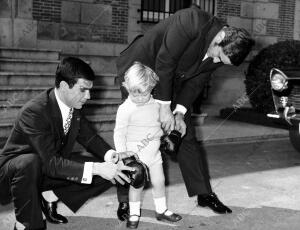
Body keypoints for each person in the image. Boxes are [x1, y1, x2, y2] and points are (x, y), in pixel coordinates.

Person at [115, 4, 255, 220]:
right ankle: (125, 200)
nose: (216, 62)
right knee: (136, 135)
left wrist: (179, 112)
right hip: (141, 70)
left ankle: (203, 193)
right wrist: (163, 107)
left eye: (222, 63)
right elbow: (165, 61)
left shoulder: (222, 51)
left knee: (184, 132)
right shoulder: (191, 20)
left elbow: (197, 80)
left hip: (173, 78)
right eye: (219, 57)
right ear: (221, 37)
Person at [0, 57, 136, 230]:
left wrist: (113, 156)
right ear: (64, 86)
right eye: (83, 90)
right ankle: (24, 224)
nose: (88, 96)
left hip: (47, 169)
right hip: (15, 174)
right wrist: (97, 168)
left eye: (89, 91)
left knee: (112, 169)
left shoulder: (73, 107)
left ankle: (49, 195)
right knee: (30, 162)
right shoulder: (34, 111)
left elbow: (89, 138)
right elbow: (51, 163)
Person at [114, 62, 182, 228]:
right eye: (133, 94)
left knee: (159, 181)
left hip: (154, 155)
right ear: (126, 87)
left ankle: (161, 210)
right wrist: (122, 155)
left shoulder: (158, 105)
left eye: (143, 95)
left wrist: (170, 135)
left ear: (152, 87)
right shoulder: (125, 109)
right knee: (137, 185)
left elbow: (161, 124)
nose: (138, 98)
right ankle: (135, 213)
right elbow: (119, 133)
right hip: (135, 157)